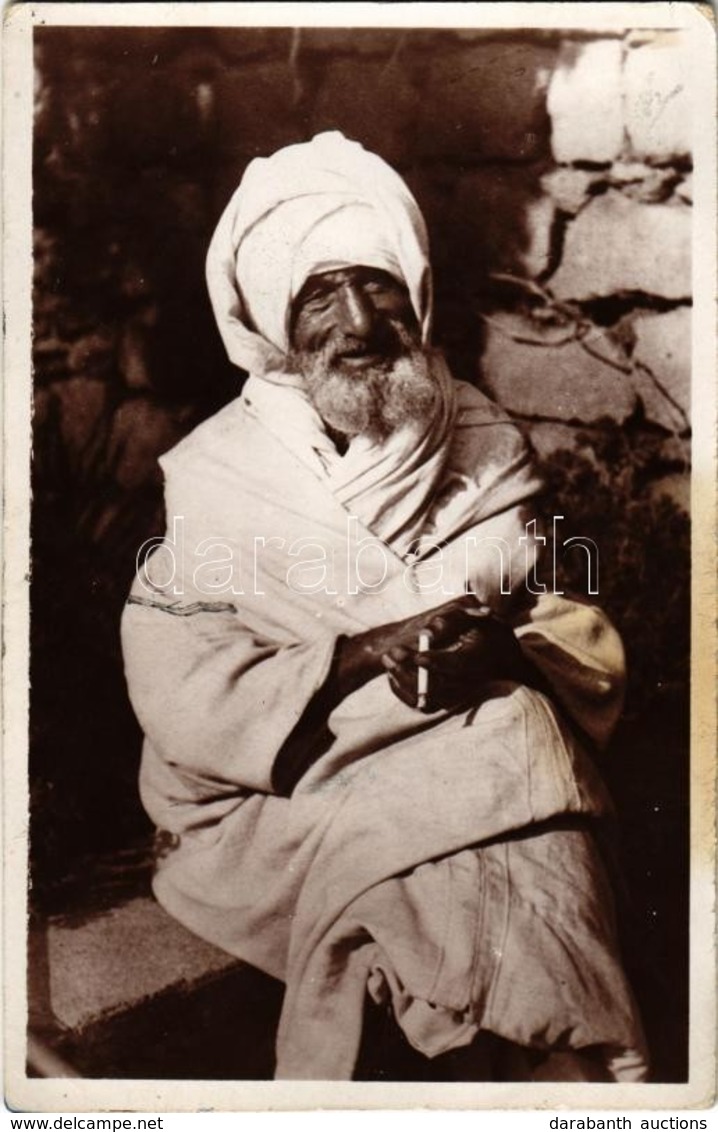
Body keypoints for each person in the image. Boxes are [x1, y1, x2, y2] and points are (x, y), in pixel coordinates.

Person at [121, 132, 647, 1082]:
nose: (357, 322)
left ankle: (528, 1057)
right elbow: (183, 675)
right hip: (291, 779)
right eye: (319, 294)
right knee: (493, 765)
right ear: (273, 321)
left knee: (508, 740)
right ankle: (574, 1070)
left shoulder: (482, 436)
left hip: (475, 727)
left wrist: (495, 645)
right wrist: (365, 653)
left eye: (378, 284)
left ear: (416, 291)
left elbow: (563, 617)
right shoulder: (214, 474)